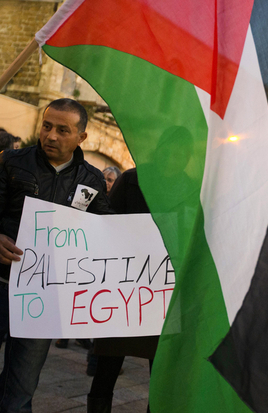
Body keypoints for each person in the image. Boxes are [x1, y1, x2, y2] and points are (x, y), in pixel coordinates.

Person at [0, 98, 112, 412]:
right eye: (47, 126)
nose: (51, 135)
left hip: (43, 298)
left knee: (22, 385)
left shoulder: (92, 180)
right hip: (1, 283)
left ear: (81, 138)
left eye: (63, 130)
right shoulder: (10, 161)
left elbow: (104, 232)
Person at [88, 168, 156, 413]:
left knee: (160, 373)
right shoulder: (130, 179)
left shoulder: (188, 187)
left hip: (159, 293)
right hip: (123, 289)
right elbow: (106, 221)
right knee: (107, 367)